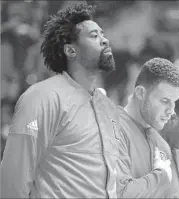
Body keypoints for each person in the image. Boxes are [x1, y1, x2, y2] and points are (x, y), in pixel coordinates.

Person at [1, 2, 120, 198]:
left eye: (103, 34)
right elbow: (13, 182)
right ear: (71, 51)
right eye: (94, 36)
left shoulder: (107, 106)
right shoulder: (42, 98)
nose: (105, 40)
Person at [116, 57, 179, 198]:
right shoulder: (110, 129)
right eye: (165, 101)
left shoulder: (162, 147)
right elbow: (118, 193)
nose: (171, 111)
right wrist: (160, 177)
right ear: (141, 93)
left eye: (174, 102)